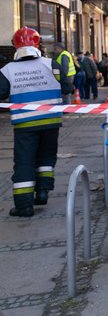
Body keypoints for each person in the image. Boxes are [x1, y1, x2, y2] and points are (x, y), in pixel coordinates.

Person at [0, 28, 63, 216]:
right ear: (38, 44)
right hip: (51, 121)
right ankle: (42, 192)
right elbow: (67, 87)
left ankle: (24, 205)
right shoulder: (51, 64)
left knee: (24, 162)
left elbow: (1, 94)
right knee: (46, 157)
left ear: (15, 46)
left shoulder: (7, 70)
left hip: (24, 124)